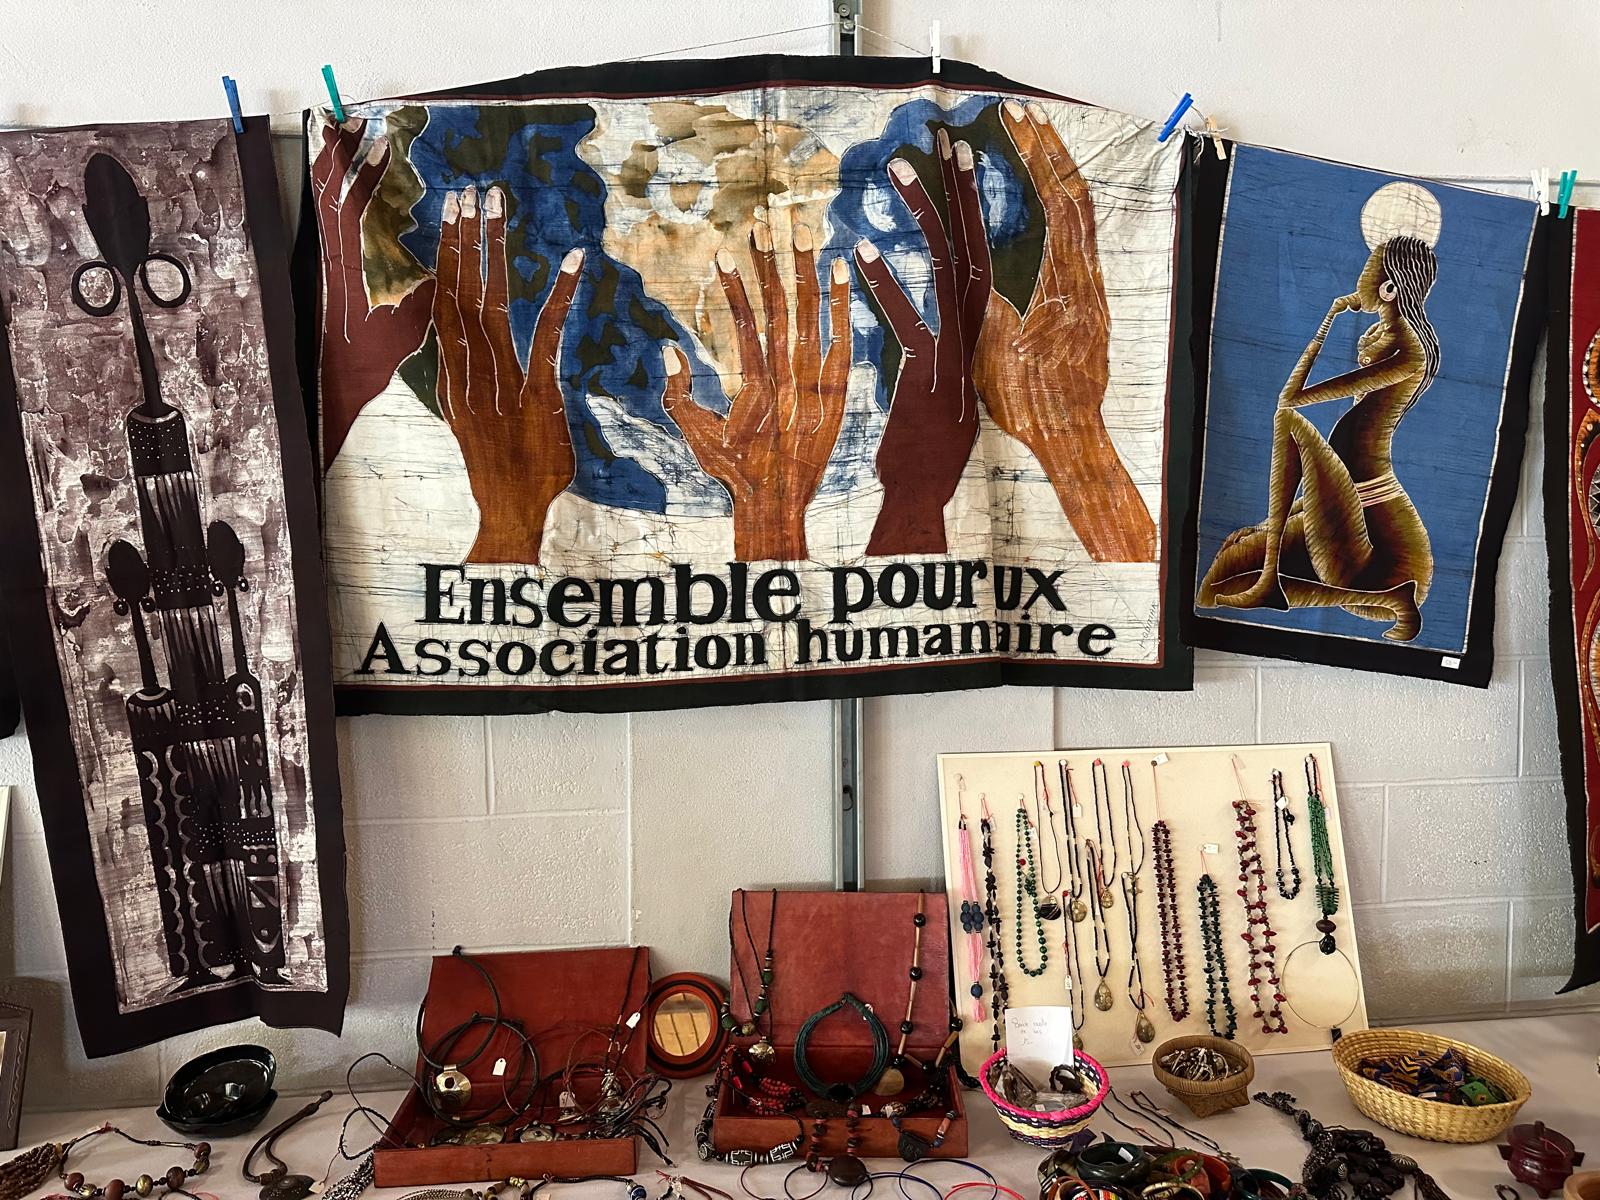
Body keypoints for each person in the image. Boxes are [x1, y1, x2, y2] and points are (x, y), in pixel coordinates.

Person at [1197, 182, 1443, 643]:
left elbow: (1293, 399)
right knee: (1227, 566)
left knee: (1288, 420)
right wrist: (1329, 319)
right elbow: (1297, 399)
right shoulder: (1385, 337)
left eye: (1367, 272)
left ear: (1389, 287)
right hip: (1348, 510)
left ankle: (1277, 581)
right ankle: (1391, 602)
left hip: (1385, 549)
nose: (1359, 281)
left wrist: (1328, 325)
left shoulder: (1408, 351)